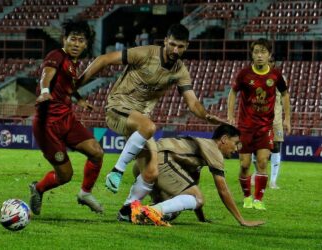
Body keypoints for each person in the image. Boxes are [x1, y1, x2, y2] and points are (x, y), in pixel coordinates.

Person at [77, 24, 225, 206]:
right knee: (148, 126)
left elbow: (192, 103)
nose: (175, 50)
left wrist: (207, 116)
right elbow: (104, 59)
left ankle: (128, 210)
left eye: (180, 46)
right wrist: (76, 86)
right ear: (165, 41)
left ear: (187, 46)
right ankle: (117, 170)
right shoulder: (146, 53)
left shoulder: (180, 71)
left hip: (140, 120)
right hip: (118, 107)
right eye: (172, 44)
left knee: (152, 171)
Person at [118, 124, 265, 227]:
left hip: (144, 159)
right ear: (224, 139)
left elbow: (193, 186)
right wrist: (241, 220)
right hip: (161, 160)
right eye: (236, 143)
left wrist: (201, 219)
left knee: (174, 207)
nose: (237, 148)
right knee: (196, 198)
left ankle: (128, 212)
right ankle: (149, 212)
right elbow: (223, 190)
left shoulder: (198, 152)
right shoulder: (214, 150)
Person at [29, 19, 104, 215]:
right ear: (65, 39)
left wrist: (79, 99)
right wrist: (45, 91)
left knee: (96, 152)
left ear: (86, 44)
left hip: (67, 118)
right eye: (73, 39)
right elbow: (47, 74)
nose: (76, 44)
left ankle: (85, 193)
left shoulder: (72, 64)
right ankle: (38, 189)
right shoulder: (56, 55)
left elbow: (68, 86)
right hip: (48, 125)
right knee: (65, 176)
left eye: (81, 41)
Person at [227, 38, 291, 210]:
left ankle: (258, 199)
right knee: (244, 164)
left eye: (263, 52)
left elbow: (285, 94)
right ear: (252, 54)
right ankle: (247, 197)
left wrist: (287, 118)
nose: (259, 55)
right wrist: (230, 115)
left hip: (265, 127)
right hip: (245, 127)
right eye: (256, 52)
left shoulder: (275, 75)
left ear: (269, 55)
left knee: (262, 162)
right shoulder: (244, 74)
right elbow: (233, 92)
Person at [252, 89, 285, 189]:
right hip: (260, 120)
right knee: (256, 147)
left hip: (276, 122)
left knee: (276, 147)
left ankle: (273, 181)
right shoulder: (261, 84)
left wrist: (287, 119)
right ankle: (257, 172)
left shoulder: (282, 87)